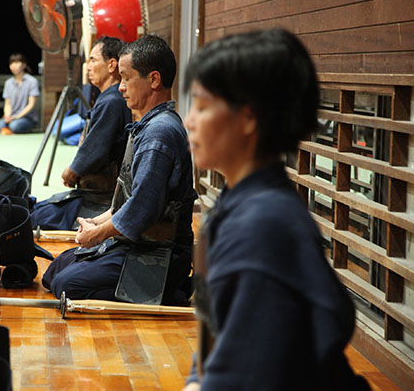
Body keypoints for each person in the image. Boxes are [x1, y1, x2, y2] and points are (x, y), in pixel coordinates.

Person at [182, 29, 370, 390]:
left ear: (249, 118)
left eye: (202, 107)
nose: (189, 120)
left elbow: (245, 378)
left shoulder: (262, 226)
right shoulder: (241, 204)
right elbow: (215, 339)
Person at [42, 35, 197, 306]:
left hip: (159, 254)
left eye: (126, 78)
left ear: (154, 80)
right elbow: (129, 199)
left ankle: (170, 289)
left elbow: (142, 209)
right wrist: (97, 223)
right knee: (55, 270)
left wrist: (97, 235)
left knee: (65, 284)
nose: (121, 87)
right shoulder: (148, 126)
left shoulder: (159, 133)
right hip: (137, 243)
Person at [31, 36, 132, 230]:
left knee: (35, 216)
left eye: (93, 60)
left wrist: (73, 171)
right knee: (38, 207)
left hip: (101, 200)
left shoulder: (112, 101)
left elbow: (96, 149)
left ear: (112, 65)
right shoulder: (110, 97)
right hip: (94, 194)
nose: (88, 67)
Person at [0, 53, 40, 134]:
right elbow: (7, 103)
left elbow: (31, 104)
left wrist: (17, 117)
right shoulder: (8, 82)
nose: (13, 66)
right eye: (11, 63)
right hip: (12, 116)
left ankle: (11, 129)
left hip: (27, 117)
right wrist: (8, 116)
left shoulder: (32, 81)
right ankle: (9, 129)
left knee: (15, 126)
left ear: (24, 65)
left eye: (16, 63)